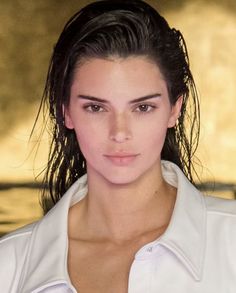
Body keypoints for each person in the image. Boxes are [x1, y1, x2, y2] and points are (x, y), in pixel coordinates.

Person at [0, 0, 236, 292]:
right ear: (66, 112)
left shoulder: (231, 240)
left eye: (143, 108)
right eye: (96, 108)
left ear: (175, 109)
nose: (120, 133)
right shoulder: (9, 266)